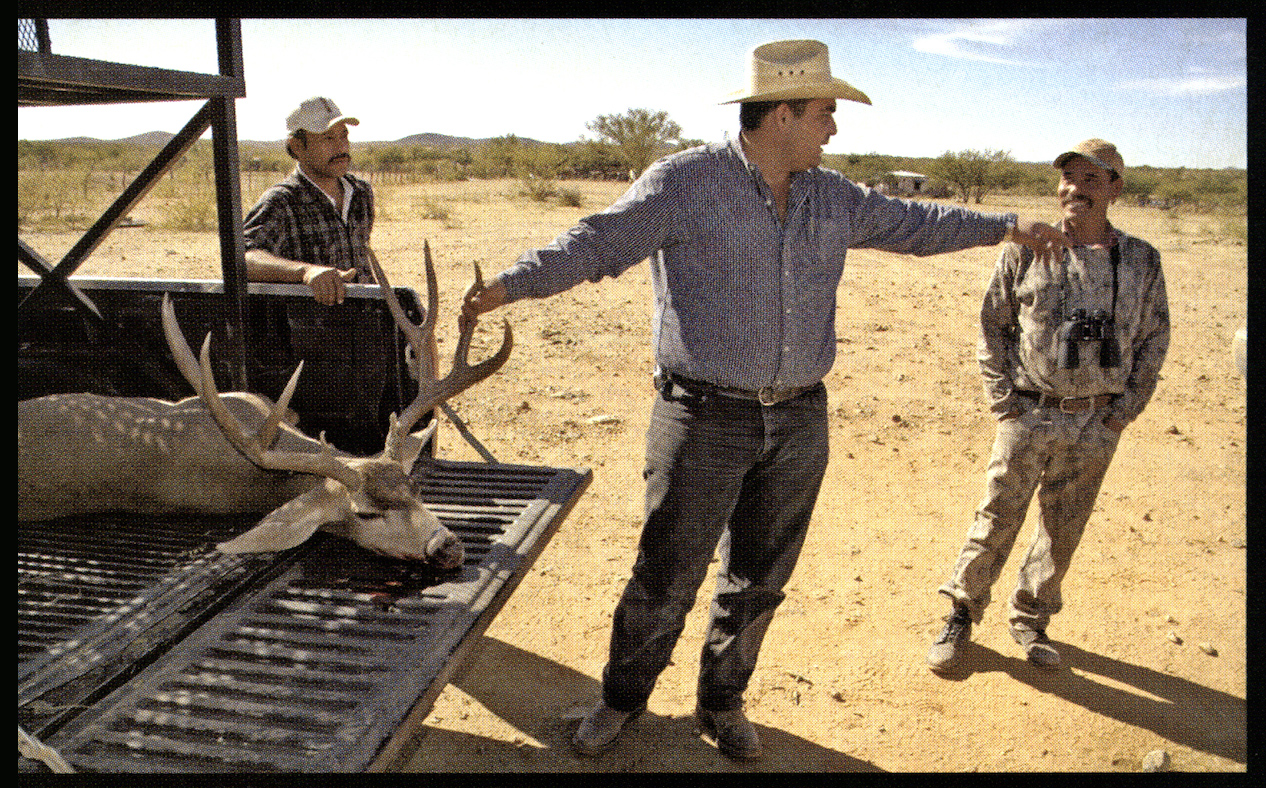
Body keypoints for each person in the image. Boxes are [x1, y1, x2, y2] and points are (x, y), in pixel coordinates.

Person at [461, 39, 1066, 760]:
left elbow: (919, 225)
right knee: (668, 569)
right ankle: (621, 699)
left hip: (801, 418)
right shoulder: (684, 183)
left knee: (761, 577)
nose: (834, 129)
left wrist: (1004, 226)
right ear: (782, 114)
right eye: (824, 114)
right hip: (703, 417)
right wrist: (507, 285)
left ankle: (722, 702)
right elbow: (595, 243)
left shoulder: (832, 195)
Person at [925, 139, 1170, 674]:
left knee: (1064, 527)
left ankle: (1031, 619)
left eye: (1089, 179)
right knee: (996, 518)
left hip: (1097, 419)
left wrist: (1123, 411)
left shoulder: (1141, 260)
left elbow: (1155, 338)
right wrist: (1004, 401)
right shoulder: (1026, 247)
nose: (1074, 189)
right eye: (1067, 178)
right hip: (1029, 412)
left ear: (1115, 188)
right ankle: (962, 615)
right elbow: (992, 325)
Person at [243, 96, 375, 306]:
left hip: (366, 317)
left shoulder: (360, 192)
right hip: (311, 325)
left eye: (344, 136)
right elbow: (241, 259)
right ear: (296, 147)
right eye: (328, 138)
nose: (341, 148)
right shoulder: (282, 201)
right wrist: (306, 271)